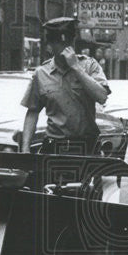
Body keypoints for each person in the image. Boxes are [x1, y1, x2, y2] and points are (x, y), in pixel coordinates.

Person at [20, 17, 110, 155]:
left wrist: (76, 68)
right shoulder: (41, 73)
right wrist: (25, 148)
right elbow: (32, 111)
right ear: (50, 45)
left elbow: (102, 96)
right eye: (59, 43)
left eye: (68, 42)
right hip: (54, 145)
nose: (65, 48)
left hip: (86, 146)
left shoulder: (89, 65)